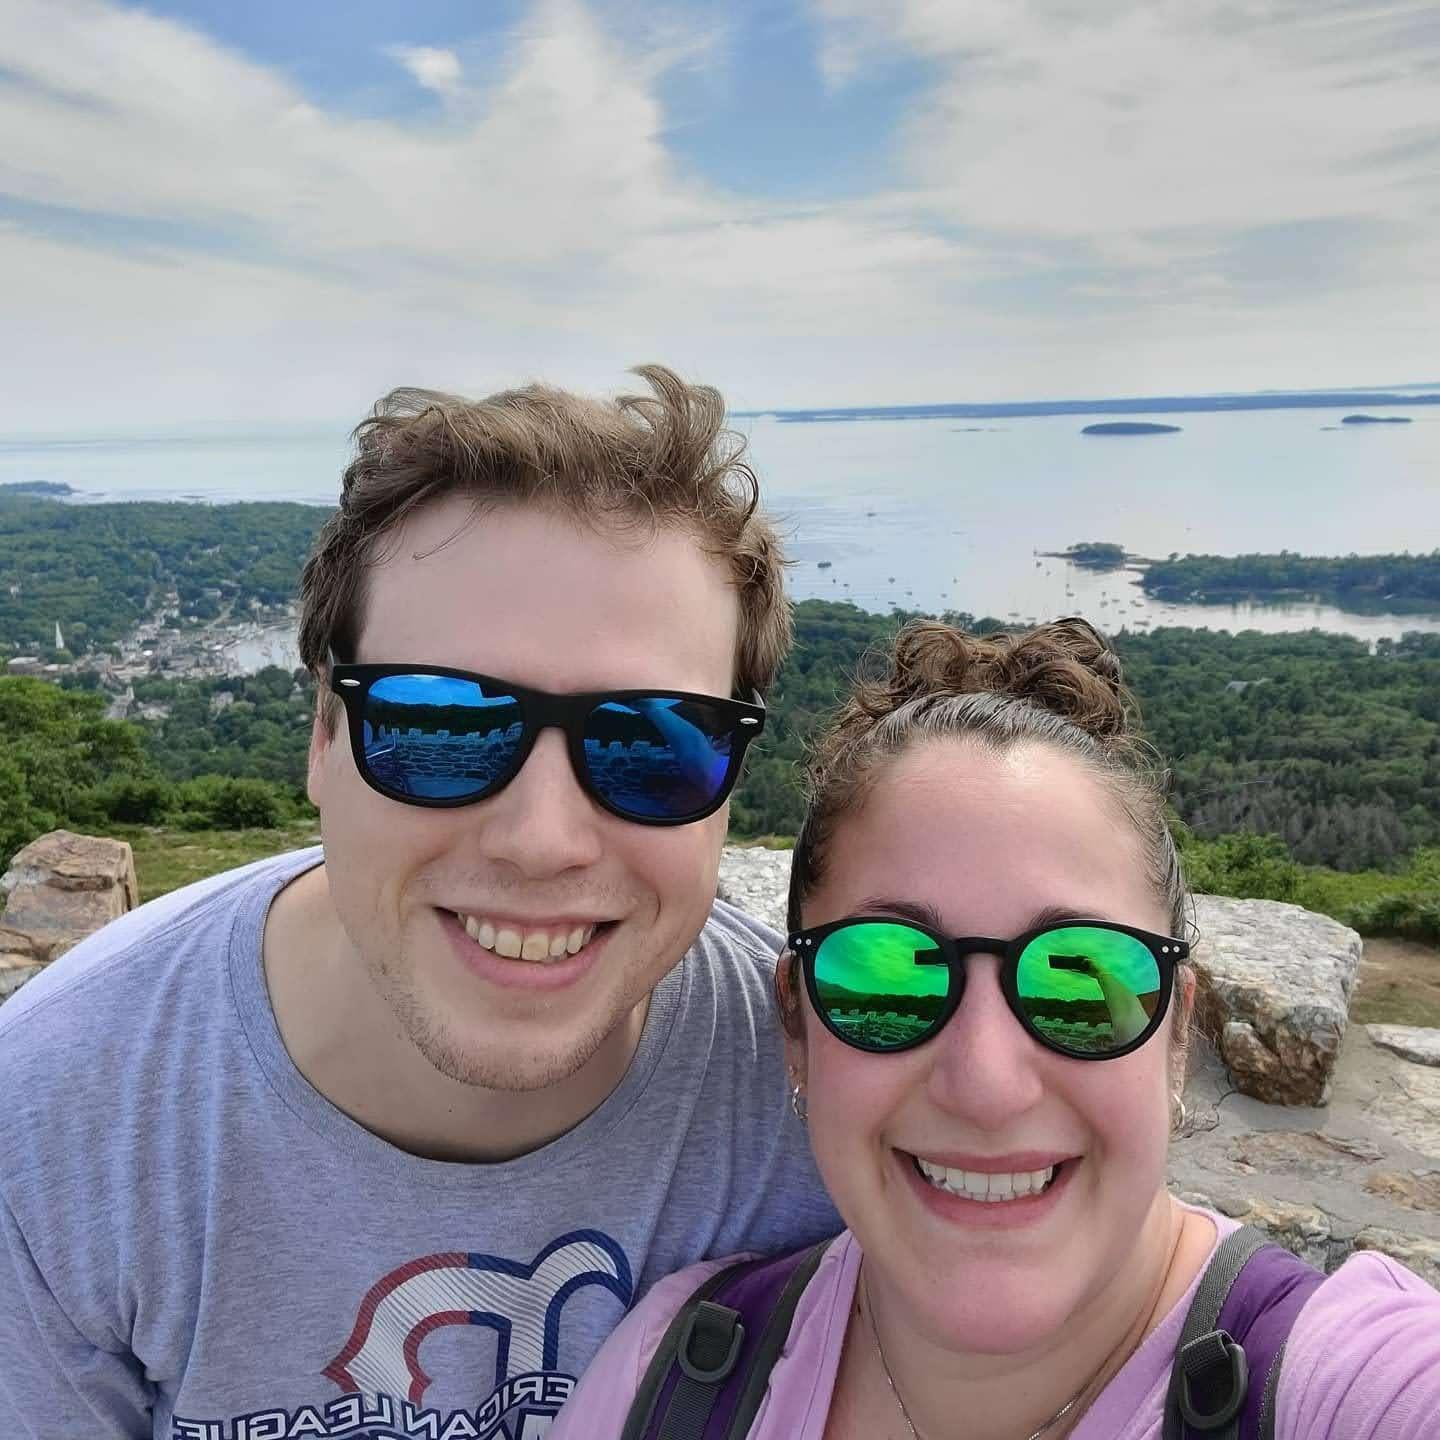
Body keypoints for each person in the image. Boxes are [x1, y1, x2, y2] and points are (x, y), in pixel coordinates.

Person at [0, 368, 837, 1437]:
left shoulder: (820, 1107)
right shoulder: (59, 1134)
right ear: (323, 736)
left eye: (650, 743)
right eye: (442, 727)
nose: (542, 839)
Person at [554, 618, 1440, 1439]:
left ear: (1177, 1035)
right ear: (797, 1028)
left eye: (1083, 985)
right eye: (886, 976)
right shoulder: (670, 1379)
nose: (985, 1082)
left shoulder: (1341, 1383)